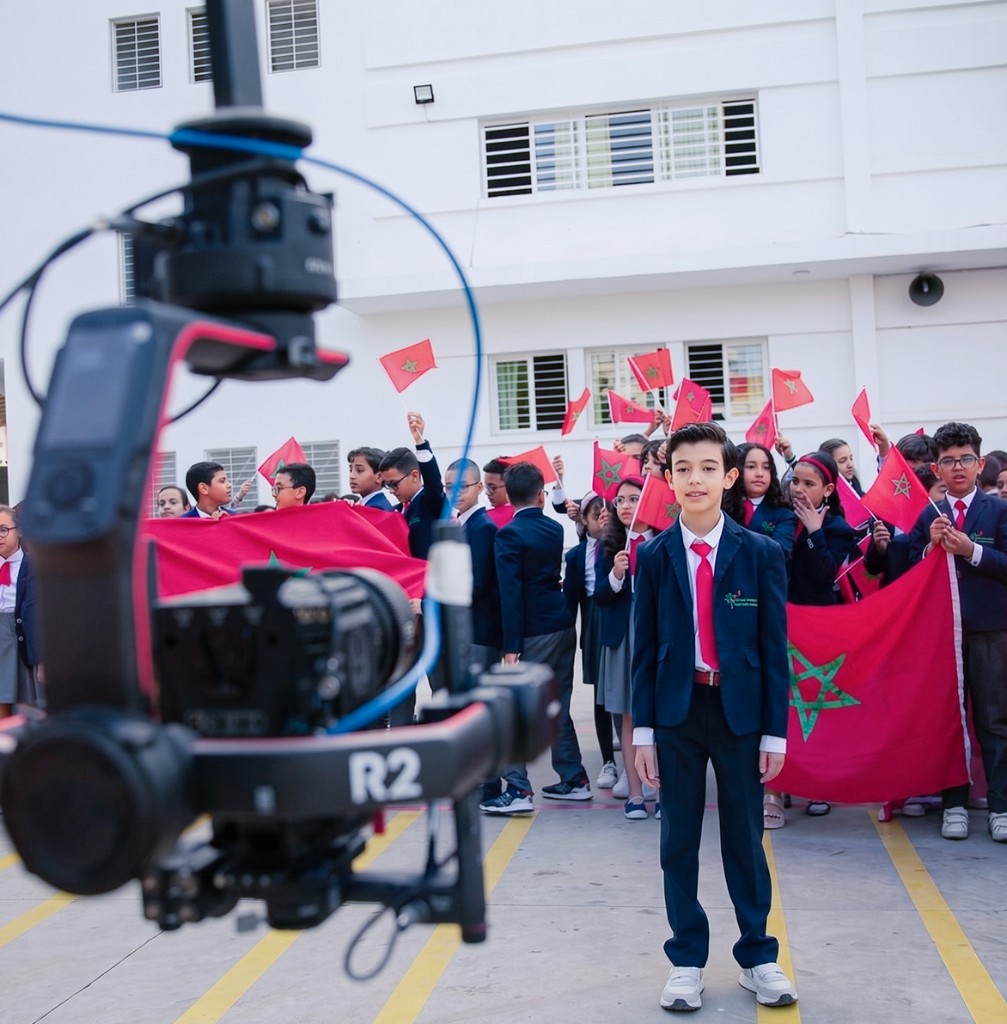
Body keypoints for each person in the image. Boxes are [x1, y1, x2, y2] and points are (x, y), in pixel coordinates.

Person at [633, 422, 796, 1011]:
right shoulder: (653, 556)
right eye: (682, 469)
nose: (694, 479)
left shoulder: (761, 554)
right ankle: (686, 959)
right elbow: (644, 649)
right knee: (678, 838)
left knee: (744, 841)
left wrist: (774, 730)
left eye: (707, 468)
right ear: (668, 478)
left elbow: (774, 648)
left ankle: (758, 955)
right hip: (677, 713)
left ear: (730, 478)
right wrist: (644, 731)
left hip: (740, 715)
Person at [908, 421, 1007, 843]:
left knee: (994, 720)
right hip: (941, 637)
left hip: (990, 631)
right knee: (949, 721)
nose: (958, 468)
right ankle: (954, 804)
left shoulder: (999, 510)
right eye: (948, 462)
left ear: (979, 463)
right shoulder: (928, 515)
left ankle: (1000, 806)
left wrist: (972, 551)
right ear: (936, 469)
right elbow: (905, 574)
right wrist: (929, 549)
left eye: (966, 459)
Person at [481, 462, 590, 814]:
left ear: (508, 496)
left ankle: (517, 789)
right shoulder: (553, 528)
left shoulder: (509, 534)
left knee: (516, 708)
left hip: (532, 631)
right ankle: (574, 779)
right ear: (542, 495)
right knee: (557, 704)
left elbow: (510, 593)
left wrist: (511, 646)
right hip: (560, 623)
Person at [595, 475, 657, 820]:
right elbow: (601, 599)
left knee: (661, 716)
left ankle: (661, 792)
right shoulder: (611, 546)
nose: (625, 506)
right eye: (620, 501)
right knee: (629, 716)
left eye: (633, 499)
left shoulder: (664, 542)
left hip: (656, 635)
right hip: (622, 638)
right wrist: (616, 576)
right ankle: (635, 794)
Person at [563, 493, 617, 789]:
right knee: (601, 696)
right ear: (583, 519)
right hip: (593, 623)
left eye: (608, 512)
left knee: (624, 692)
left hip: (618, 619)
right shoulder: (575, 555)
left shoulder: (620, 547)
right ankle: (608, 760)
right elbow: (570, 601)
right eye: (596, 513)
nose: (602, 517)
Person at [378, 412, 448, 560]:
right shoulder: (394, 511)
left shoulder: (430, 501)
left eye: (394, 484)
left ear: (415, 476)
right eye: (387, 485)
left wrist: (420, 443)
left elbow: (433, 481)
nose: (391, 491)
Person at [0, 506, 42, 718]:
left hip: (25, 642)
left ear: (19, 531)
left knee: (29, 707)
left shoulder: (34, 566)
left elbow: (39, 614)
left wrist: (42, 657)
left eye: (3, 529)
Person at [727, 443, 797, 564]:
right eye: (751, 466)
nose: (760, 473)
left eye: (766, 467)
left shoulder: (783, 514)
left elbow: (781, 552)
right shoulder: (722, 508)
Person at [482, 457, 515, 527]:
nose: (487, 493)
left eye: (492, 487)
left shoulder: (485, 519)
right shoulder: (528, 515)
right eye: (487, 487)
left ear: (509, 485)